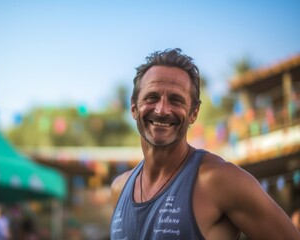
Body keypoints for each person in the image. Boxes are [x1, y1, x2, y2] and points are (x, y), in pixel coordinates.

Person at [110, 48, 300, 239]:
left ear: (194, 112)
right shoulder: (120, 188)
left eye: (176, 100)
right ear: (134, 107)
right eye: (152, 97)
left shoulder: (220, 180)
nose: (162, 110)